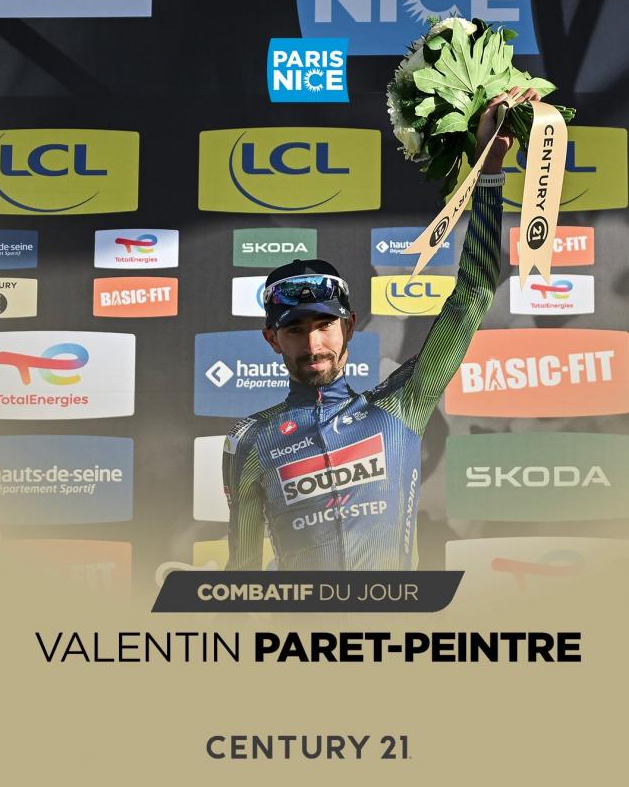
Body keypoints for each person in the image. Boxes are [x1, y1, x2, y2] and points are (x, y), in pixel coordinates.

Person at [223, 88, 539, 571]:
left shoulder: (401, 407)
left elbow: (473, 295)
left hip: (392, 619)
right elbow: (242, 577)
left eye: (325, 325)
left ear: (349, 326)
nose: (313, 343)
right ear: (272, 339)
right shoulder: (252, 442)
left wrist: (490, 169)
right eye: (294, 329)